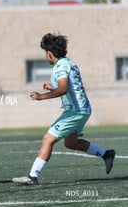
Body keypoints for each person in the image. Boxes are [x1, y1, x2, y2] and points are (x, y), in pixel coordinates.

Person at [13, 33, 116, 185]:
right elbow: (69, 87)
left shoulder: (60, 66)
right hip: (82, 109)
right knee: (71, 143)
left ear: (49, 53)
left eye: (45, 53)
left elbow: (63, 89)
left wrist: (41, 96)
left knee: (47, 139)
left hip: (75, 112)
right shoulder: (69, 63)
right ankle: (106, 154)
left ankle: (32, 177)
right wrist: (52, 87)